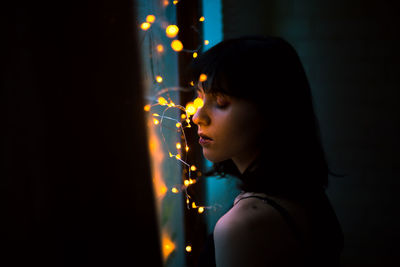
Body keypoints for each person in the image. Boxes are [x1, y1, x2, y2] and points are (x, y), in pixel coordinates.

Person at [190, 36, 344, 267]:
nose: (197, 117)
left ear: (272, 108)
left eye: (220, 100)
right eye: (200, 98)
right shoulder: (304, 191)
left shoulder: (242, 226)